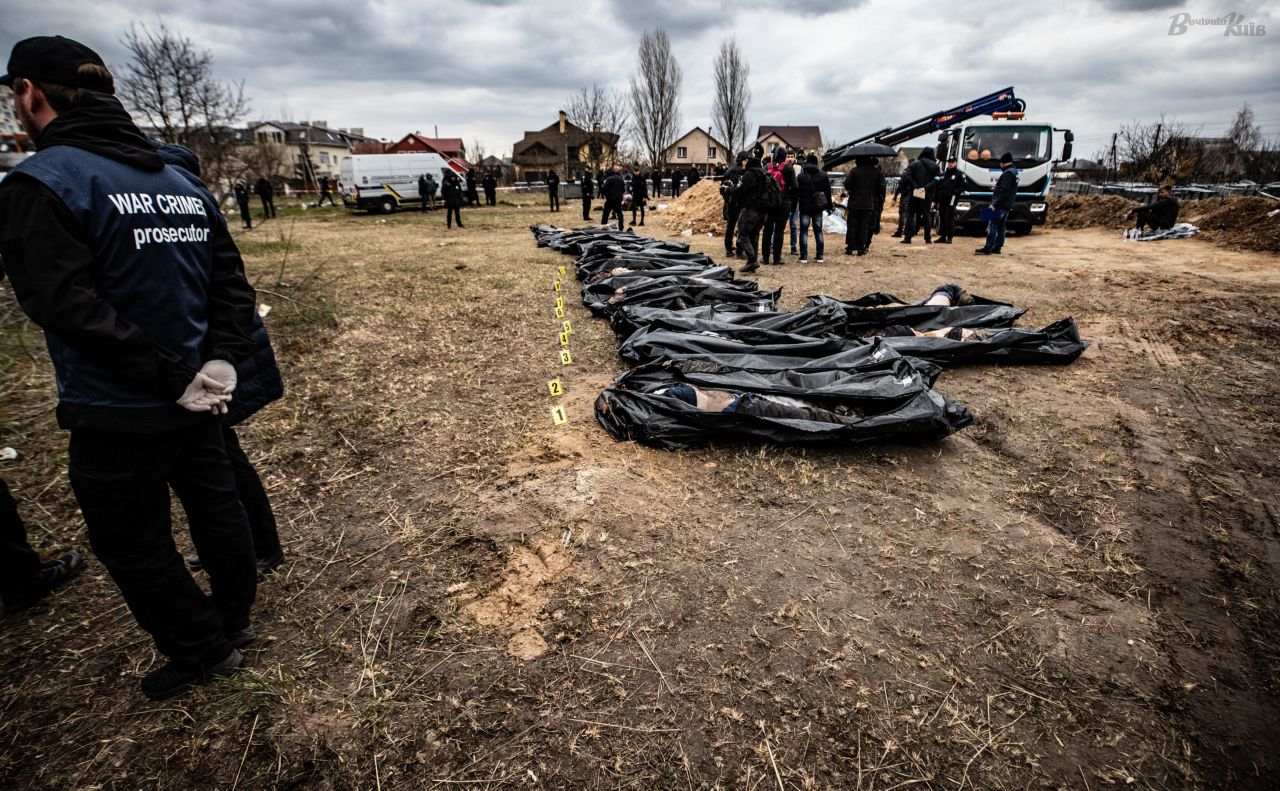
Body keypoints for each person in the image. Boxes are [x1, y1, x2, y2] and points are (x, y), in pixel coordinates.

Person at [0, 36, 260, 699]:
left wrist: (191, 372)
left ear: (29, 91)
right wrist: (219, 361)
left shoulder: (43, 181)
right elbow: (230, 285)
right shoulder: (180, 182)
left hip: (119, 405)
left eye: (14, 95)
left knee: (131, 539)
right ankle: (234, 618)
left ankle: (203, 648)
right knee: (217, 507)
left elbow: (63, 304)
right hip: (199, 391)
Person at [977, 153, 1018, 255]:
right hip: (1007, 204)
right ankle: (997, 247)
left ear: (1002, 163)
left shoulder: (1008, 173)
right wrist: (996, 188)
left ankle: (988, 248)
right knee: (1001, 226)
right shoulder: (1014, 171)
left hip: (1000, 204)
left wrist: (994, 204)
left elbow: (1004, 191)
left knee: (993, 224)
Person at [843, 156, 885, 256]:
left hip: (854, 203)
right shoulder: (876, 172)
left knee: (852, 225)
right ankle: (861, 248)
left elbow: (847, 185)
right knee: (864, 226)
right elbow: (880, 189)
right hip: (868, 204)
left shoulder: (854, 171)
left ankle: (850, 247)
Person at [733, 155, 768, 272]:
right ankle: (752, 263)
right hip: (763, 212)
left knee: (742, 235)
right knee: (753, 236)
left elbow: (740, 190)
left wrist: (731, 190)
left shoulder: (749, 174)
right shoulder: (763, 174)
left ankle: (752, 260)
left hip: (750, 209)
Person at [761, 147, 795, 265]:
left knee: (767, 230)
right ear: (784, 156)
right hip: (783, 202)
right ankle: (776, 258)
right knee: (779, 231)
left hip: (769, 203)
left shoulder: (766, 167)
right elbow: (795, 186)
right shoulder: (788, 168)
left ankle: (765, 258)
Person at [796, 153, 832, 263]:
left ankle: (804, 256)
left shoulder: (801, 176)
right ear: (816, 163)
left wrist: (794, 206)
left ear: (806, 162)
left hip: (804, 207)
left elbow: (797, 193)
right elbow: (828, 192)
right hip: (818, 207)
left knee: (803, 231)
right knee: (818, 231)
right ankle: (820, 256)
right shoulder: (823, 175)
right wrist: (830, 207)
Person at [902, 147, 939, 244]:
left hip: (914, 193)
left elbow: (907, 176)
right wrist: (925, 188)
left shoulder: (914, 164)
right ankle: (928, 238)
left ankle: (908, 237)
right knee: (927, 215)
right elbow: (937, 180)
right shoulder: (935, 166)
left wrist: (915, 187)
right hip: (927, 193)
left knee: (910, 214)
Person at [720, 151, 747, 258]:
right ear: (743, 161)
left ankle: (729, 249)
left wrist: (727, 199)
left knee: (730, 227)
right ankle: (739, 251)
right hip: (738, 203)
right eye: (746, 160)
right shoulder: (742, 172)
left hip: (729, 202)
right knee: (740, 227)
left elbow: (722, 188)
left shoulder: (729, 170)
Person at [935, 157, 966, 243]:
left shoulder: (959, 174)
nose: (950, 164)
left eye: (952, 162)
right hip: (943, 198)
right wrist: (937, 198)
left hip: (952, 198)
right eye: (949, 162)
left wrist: (956, 192)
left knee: (949, 217)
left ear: (956, 163)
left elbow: (963, 186)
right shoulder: (944, 173)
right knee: (942, 216)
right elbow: (939, 185)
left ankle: (949, 237)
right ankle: (943, 236)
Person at [891, 160, 912, 237]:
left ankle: (900, 231)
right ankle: (910, 231)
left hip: (905, 195)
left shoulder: (906, 173)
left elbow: (900, 186)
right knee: (911, 213)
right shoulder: (917, 173)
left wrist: (895, 196)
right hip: (914, 196)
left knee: (902, 213)